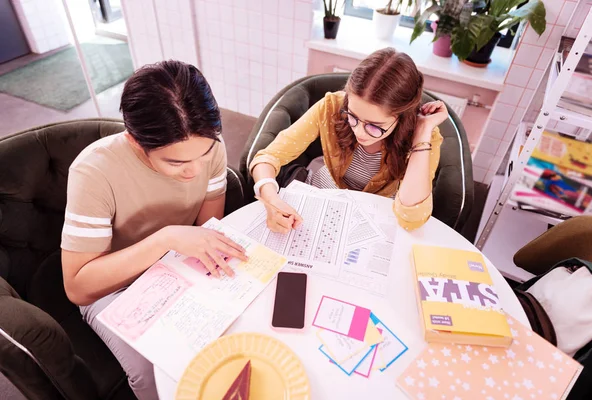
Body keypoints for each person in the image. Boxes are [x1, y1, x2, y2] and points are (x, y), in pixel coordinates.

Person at [60, 60, 247, 399]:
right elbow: (78, 288)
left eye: (202, 156)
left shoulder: (210, 148)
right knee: (156, 370)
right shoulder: (93, 172)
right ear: (135, 142)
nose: (194, 171)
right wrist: (166, 238)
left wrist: (183, 249)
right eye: (176, 163)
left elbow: (207, 227)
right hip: (111, 285)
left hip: (178, 260)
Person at [250, 48, 449, 233]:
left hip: (375, 215)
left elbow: (411, 218)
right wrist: (271, 200)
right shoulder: (332, 106)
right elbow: (267, 157)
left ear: (402, 117)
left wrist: (422, 133)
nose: (359, 132)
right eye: (352, 117)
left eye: (375, 126)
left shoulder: (423, 134)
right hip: (321, 197)